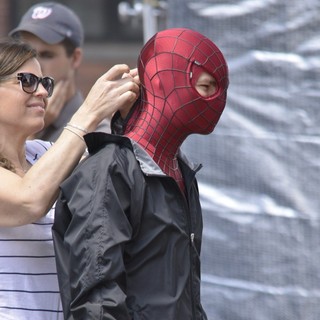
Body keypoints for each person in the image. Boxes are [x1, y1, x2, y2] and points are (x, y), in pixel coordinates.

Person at [52, 27, 229, 319]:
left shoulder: (180, 172)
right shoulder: (110, 170)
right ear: (162, 80)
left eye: (221, 88)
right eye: (206, 86)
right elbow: (96, 301)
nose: (216, 100)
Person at [0, 38, 139, 320]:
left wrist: (129, 117)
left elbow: (112, 189)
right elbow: (29, 200)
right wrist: (89, 112)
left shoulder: (46, 154)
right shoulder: (51, 166)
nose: (41, 92)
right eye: (27, 81)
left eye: (45, 83)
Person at [9, 1, 111, 141]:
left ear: (75, 58)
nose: (34, 66)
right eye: (26, 55)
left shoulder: (96, 133)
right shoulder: (8, 118)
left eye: (46, 55)